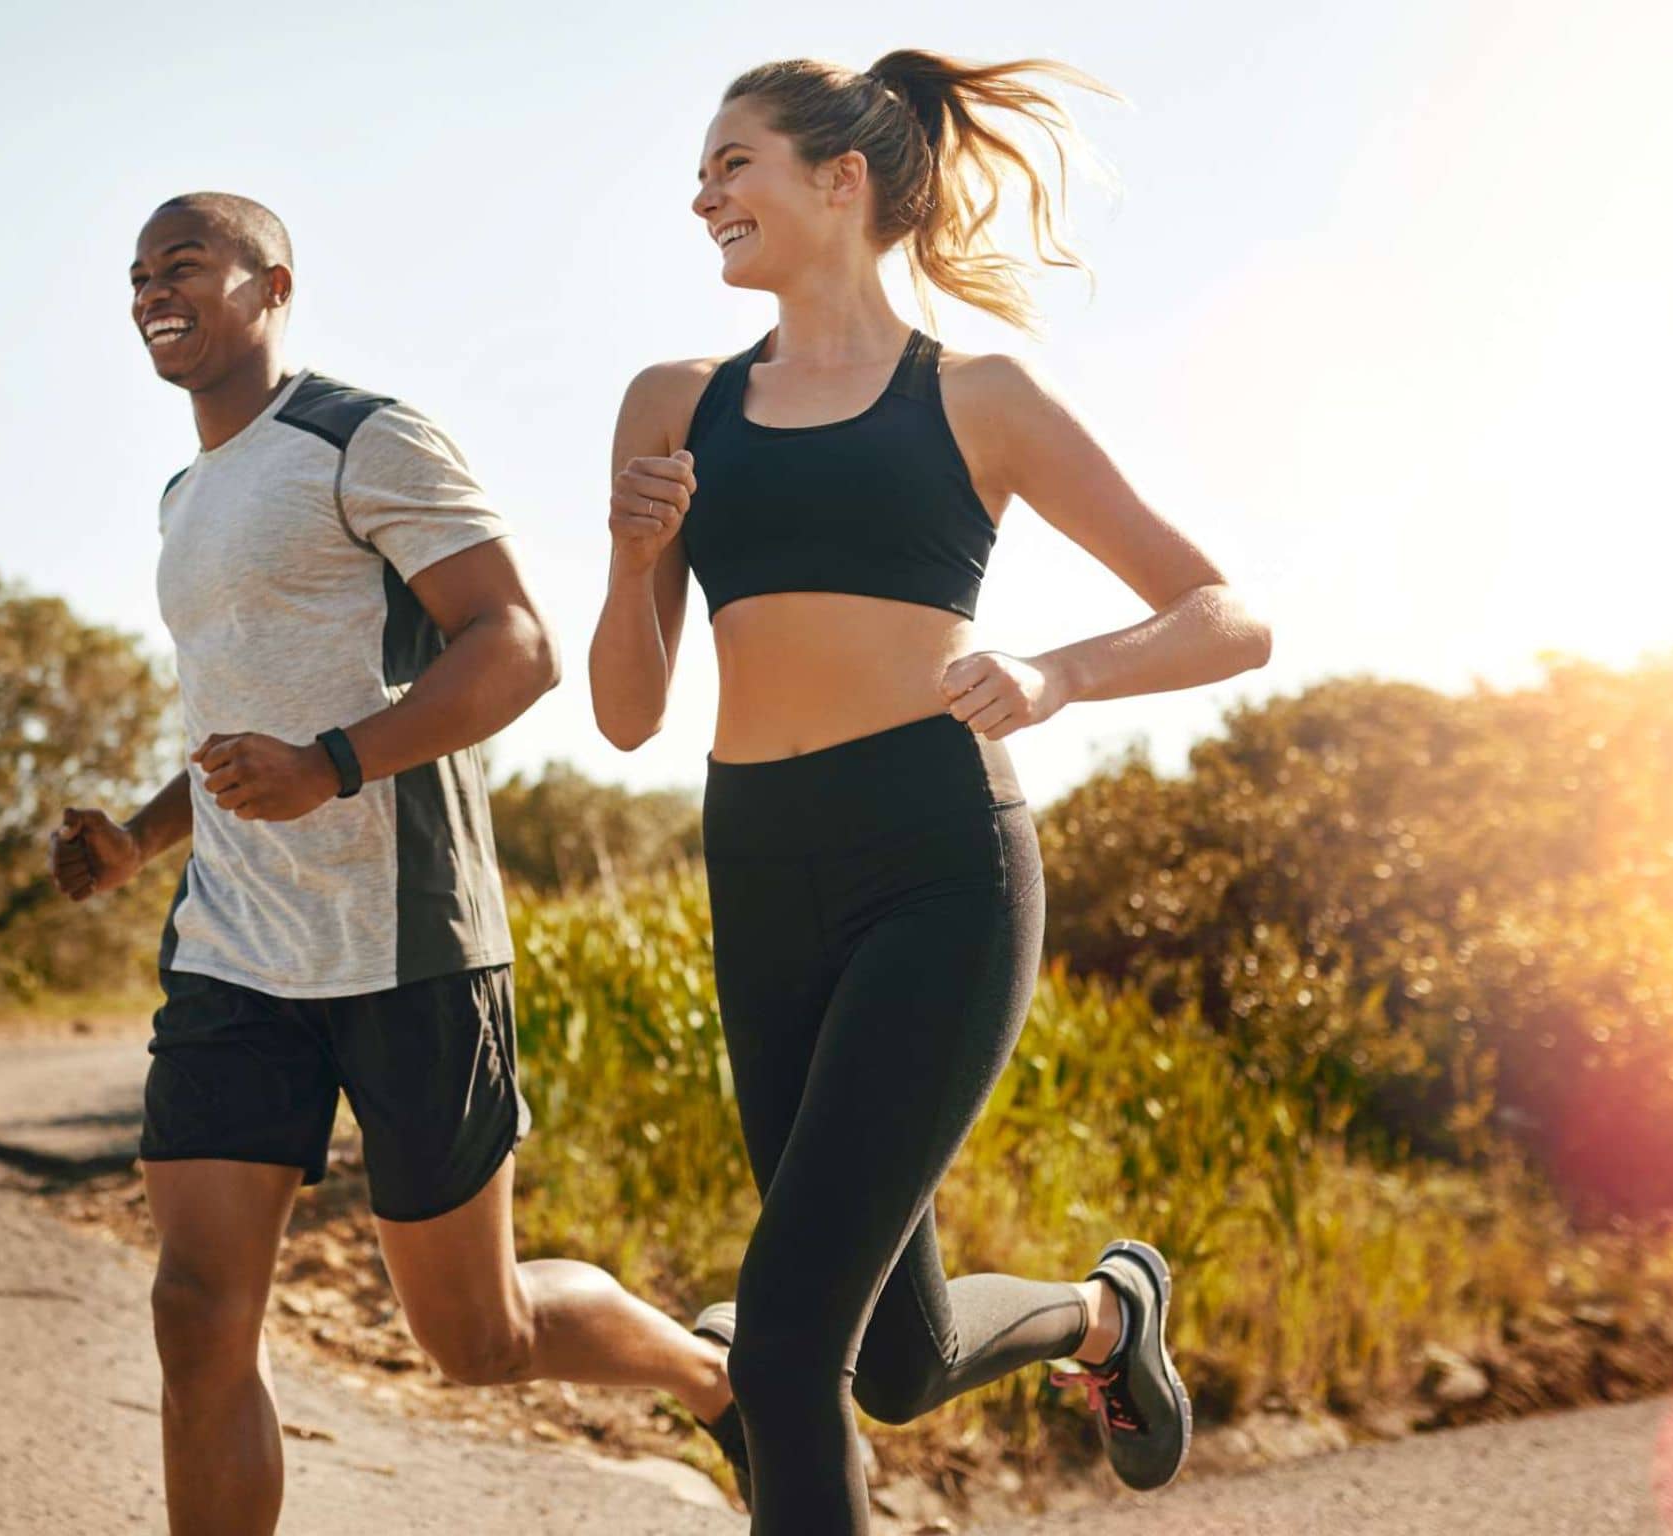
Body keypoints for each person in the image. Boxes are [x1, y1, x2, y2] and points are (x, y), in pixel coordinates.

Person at [590, 50, 1273, 1531]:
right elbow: (629, 713)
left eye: (734, 163)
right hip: (760, 866)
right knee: (893, 1362)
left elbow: (1226, 615)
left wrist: (1057, 676)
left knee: (778, 1347)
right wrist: (637, 557)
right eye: (703, 170)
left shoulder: (977, 398)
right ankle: (1109, 1315)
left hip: (936, 863)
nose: (703, 193)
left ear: (841, 182)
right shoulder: (671, 401)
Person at [50, 192, 740, 1536]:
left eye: (182, 265)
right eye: (136, 276)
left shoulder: (363, 438)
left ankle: (717, 1381)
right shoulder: (185, 495)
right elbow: (227, 724)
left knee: (473, 1339)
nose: (151, 292)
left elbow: (516, 646)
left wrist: (336, 764)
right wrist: (139, 839)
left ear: (272, 282)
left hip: (408, 941)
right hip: (236, 947)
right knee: (196, 1316)